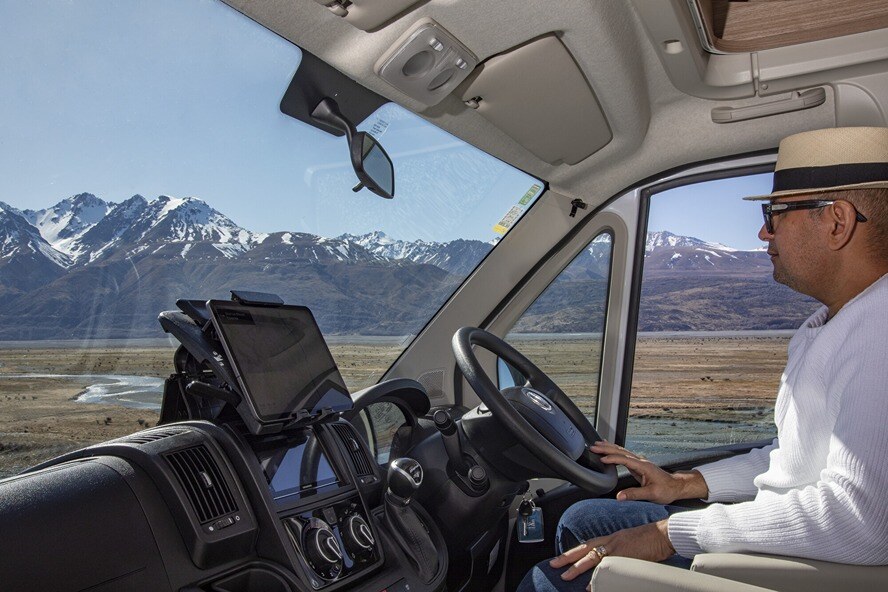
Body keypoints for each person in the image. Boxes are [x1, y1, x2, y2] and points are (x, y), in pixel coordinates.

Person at [518, 126, 888, 592]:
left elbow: (860, 523)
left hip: (797, 570)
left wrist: (671, 534)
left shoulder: (880, 338)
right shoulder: (835, 322)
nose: (762, 231)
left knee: (545, 581)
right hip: (789, 542)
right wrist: (686, 484)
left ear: (837, 222)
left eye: (773, 214)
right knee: (581, 519)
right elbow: (794, 460)